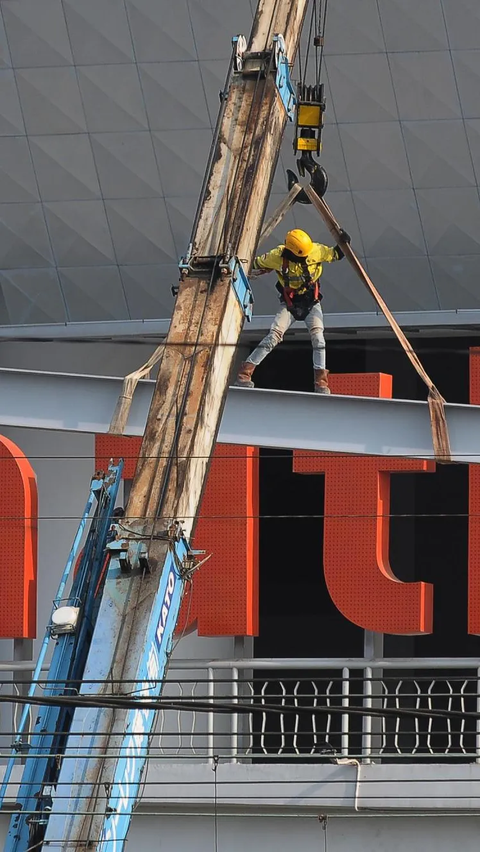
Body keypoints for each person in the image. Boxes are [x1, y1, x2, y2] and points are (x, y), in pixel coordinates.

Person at [234, 227, 350, 394]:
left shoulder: (315, 250)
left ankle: (321, 383)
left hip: (311, 302)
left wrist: (344, 242)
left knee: (319, 339)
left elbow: (336, 254)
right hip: (290, 303)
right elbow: (254, 263)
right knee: (273, 336)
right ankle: (245, 373)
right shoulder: (276, 257)